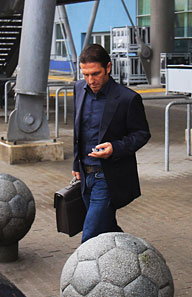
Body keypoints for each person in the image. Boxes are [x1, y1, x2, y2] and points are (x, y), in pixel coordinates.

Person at [72, 44, 151, 243]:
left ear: (108, 68)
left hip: (107, 177)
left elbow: (142, 134)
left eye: (95, 74)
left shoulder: (128, 98)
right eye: (86, 74)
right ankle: (131, 253)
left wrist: (115, 148)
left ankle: (83, 274)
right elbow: (78, 131)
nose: (91, 80)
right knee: (106, 228)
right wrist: (76, 164)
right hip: (85, 174)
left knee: (89, 236)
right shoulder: (78, 90)